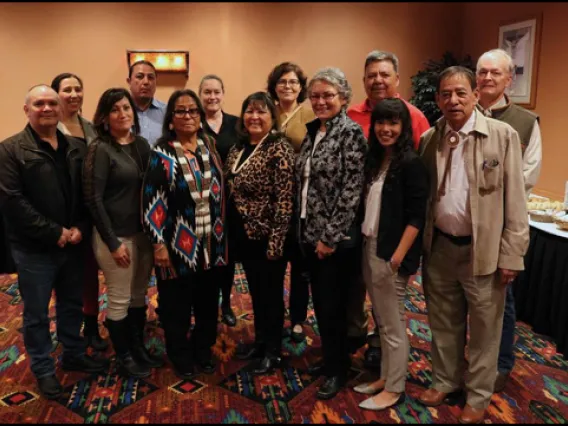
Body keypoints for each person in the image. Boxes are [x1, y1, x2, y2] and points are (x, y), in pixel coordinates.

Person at [417, 66, 529, 424]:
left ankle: (478, 396)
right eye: (446, 94)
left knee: (484, 328)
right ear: (438, 99)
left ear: (475, 95)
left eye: (461, 93)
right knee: (443, 322)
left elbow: (515, 200)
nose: (453, 100)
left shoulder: (502, 136)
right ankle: (446, 380)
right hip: (440, 249)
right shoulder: (429, 139)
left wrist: (511, 254)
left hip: (484, 253)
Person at [0, 85, 108, 400]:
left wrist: (79, 229)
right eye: (39, 104)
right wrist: (55, 232)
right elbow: (12, 201)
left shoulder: (77, 146)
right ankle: (44, 370)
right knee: (36, 313)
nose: (46, 108)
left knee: (72, 303)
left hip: (74, 242)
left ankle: (73, 352)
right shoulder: (10, 150)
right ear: (26, 110)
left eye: (51, 103)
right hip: (34, 249)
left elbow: (89, 194)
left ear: (60, 108)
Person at [347, 50, 431, 369]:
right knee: (358, 287)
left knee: (388, 298)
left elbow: (418, 181)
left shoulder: (415, 117)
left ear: (396, 79)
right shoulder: (352, 114)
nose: (378, 80)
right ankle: (357, 336)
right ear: (364, 80)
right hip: (361, 224)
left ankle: (381, 350)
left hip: (395, 232)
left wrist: (402, 250)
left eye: (384, 74)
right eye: (371, 75)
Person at [142, 89, 228, 378]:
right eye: (181, 111)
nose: (188, 116)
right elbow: (152, 202)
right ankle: (179, 355)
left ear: (201, 116)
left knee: (207, 304)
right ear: (171, 119)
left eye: (193, 111)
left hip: (211, 244)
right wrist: (158, 245)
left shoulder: (210, 146)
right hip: (176, 246)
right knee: (176, 307)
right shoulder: (161, 153)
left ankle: (203, 350)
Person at [353, 98, 429, 410]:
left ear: (404, 127)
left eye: (393, 123)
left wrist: (397, 258)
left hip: (392, 255)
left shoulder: (411, 164)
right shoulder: (378, 160)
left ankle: (395, 387)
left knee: (393, 323)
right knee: (382, 320)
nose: (386, 129)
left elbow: (416, 217)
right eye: (381, 123)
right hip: (371, 246)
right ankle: (386, 375)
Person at [296, 68, 367, 399]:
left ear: (343, 98)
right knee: (323, 304)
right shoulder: (316, 131)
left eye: (328, 95)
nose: (320, 101)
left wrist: (329, 237)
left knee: (334, 306)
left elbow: (352, 192)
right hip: (310, 234)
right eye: (315, 96)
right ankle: (331, 360)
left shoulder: (350, 134)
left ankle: (338, 370)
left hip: (334, 241)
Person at [83, 88, 163, 379]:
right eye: (115, 109)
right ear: (104, 117)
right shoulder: (101, 149)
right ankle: (124, 356)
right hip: (116, 237)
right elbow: (94, 199)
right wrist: (113, 242)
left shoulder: (142, 144)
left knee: (139, 295)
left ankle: (138, 346)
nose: (123, 114)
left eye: (126, 108)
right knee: (119, 298)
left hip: (143, 235)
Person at [475, 48, 543, 393]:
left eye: (495, 73)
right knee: (465, 298)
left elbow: (526, 180)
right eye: (482, 72)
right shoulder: (460, 114)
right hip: (462, 227)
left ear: (508, 79)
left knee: (502, 299)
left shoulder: (526, 122)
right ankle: (470, 359)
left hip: (501, 226)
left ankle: (501, 363)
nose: (487, 78)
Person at [224, 92, 295, 375]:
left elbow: (285, 201)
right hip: (245, 237)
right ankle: (261, 341)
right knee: (256, 293)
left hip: (269, 240)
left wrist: (276, 243)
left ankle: (273, 351)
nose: (254, 117)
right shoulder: (238, 148)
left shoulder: (279, 148)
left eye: (261, 112)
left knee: (271, 296)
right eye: (249, 111)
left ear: (272, 116)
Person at [51, 73, 108, 352]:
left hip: (93, 211)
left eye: (78, 89)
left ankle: (92, 325)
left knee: (89, 271)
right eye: (67, 89)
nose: (73, 94)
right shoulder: (49, 128)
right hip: (65, 213)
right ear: (56, 94)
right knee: (67, 275)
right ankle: (69, 332)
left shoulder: (91, 127)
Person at [267, 62, 316, 343]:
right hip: (271, 201)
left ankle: (297, 318)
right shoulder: (267, 111)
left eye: (293, 82)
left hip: (300, 200)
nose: (287, 86)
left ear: (301, 86)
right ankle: (271, 316)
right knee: (272, 261)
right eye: (282, 82)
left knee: (300, 263)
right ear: (274, 86)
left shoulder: (310, 112)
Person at [199, 74, 239, 327]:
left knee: (228, 256)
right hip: (201, 202)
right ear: (200, 95)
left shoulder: (237, 124)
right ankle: (206, 303)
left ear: (223, 94)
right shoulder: (193, 123)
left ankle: (226, 303)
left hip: (232, 204)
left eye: (216, 92)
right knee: (205, 256)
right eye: (207, 92)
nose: (212, 97)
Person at [127, 60, 166, 147]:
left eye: (151, 77)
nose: (146, 82)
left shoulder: (167, 112)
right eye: (140, 77)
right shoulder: (120, 112)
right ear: (129, 82)